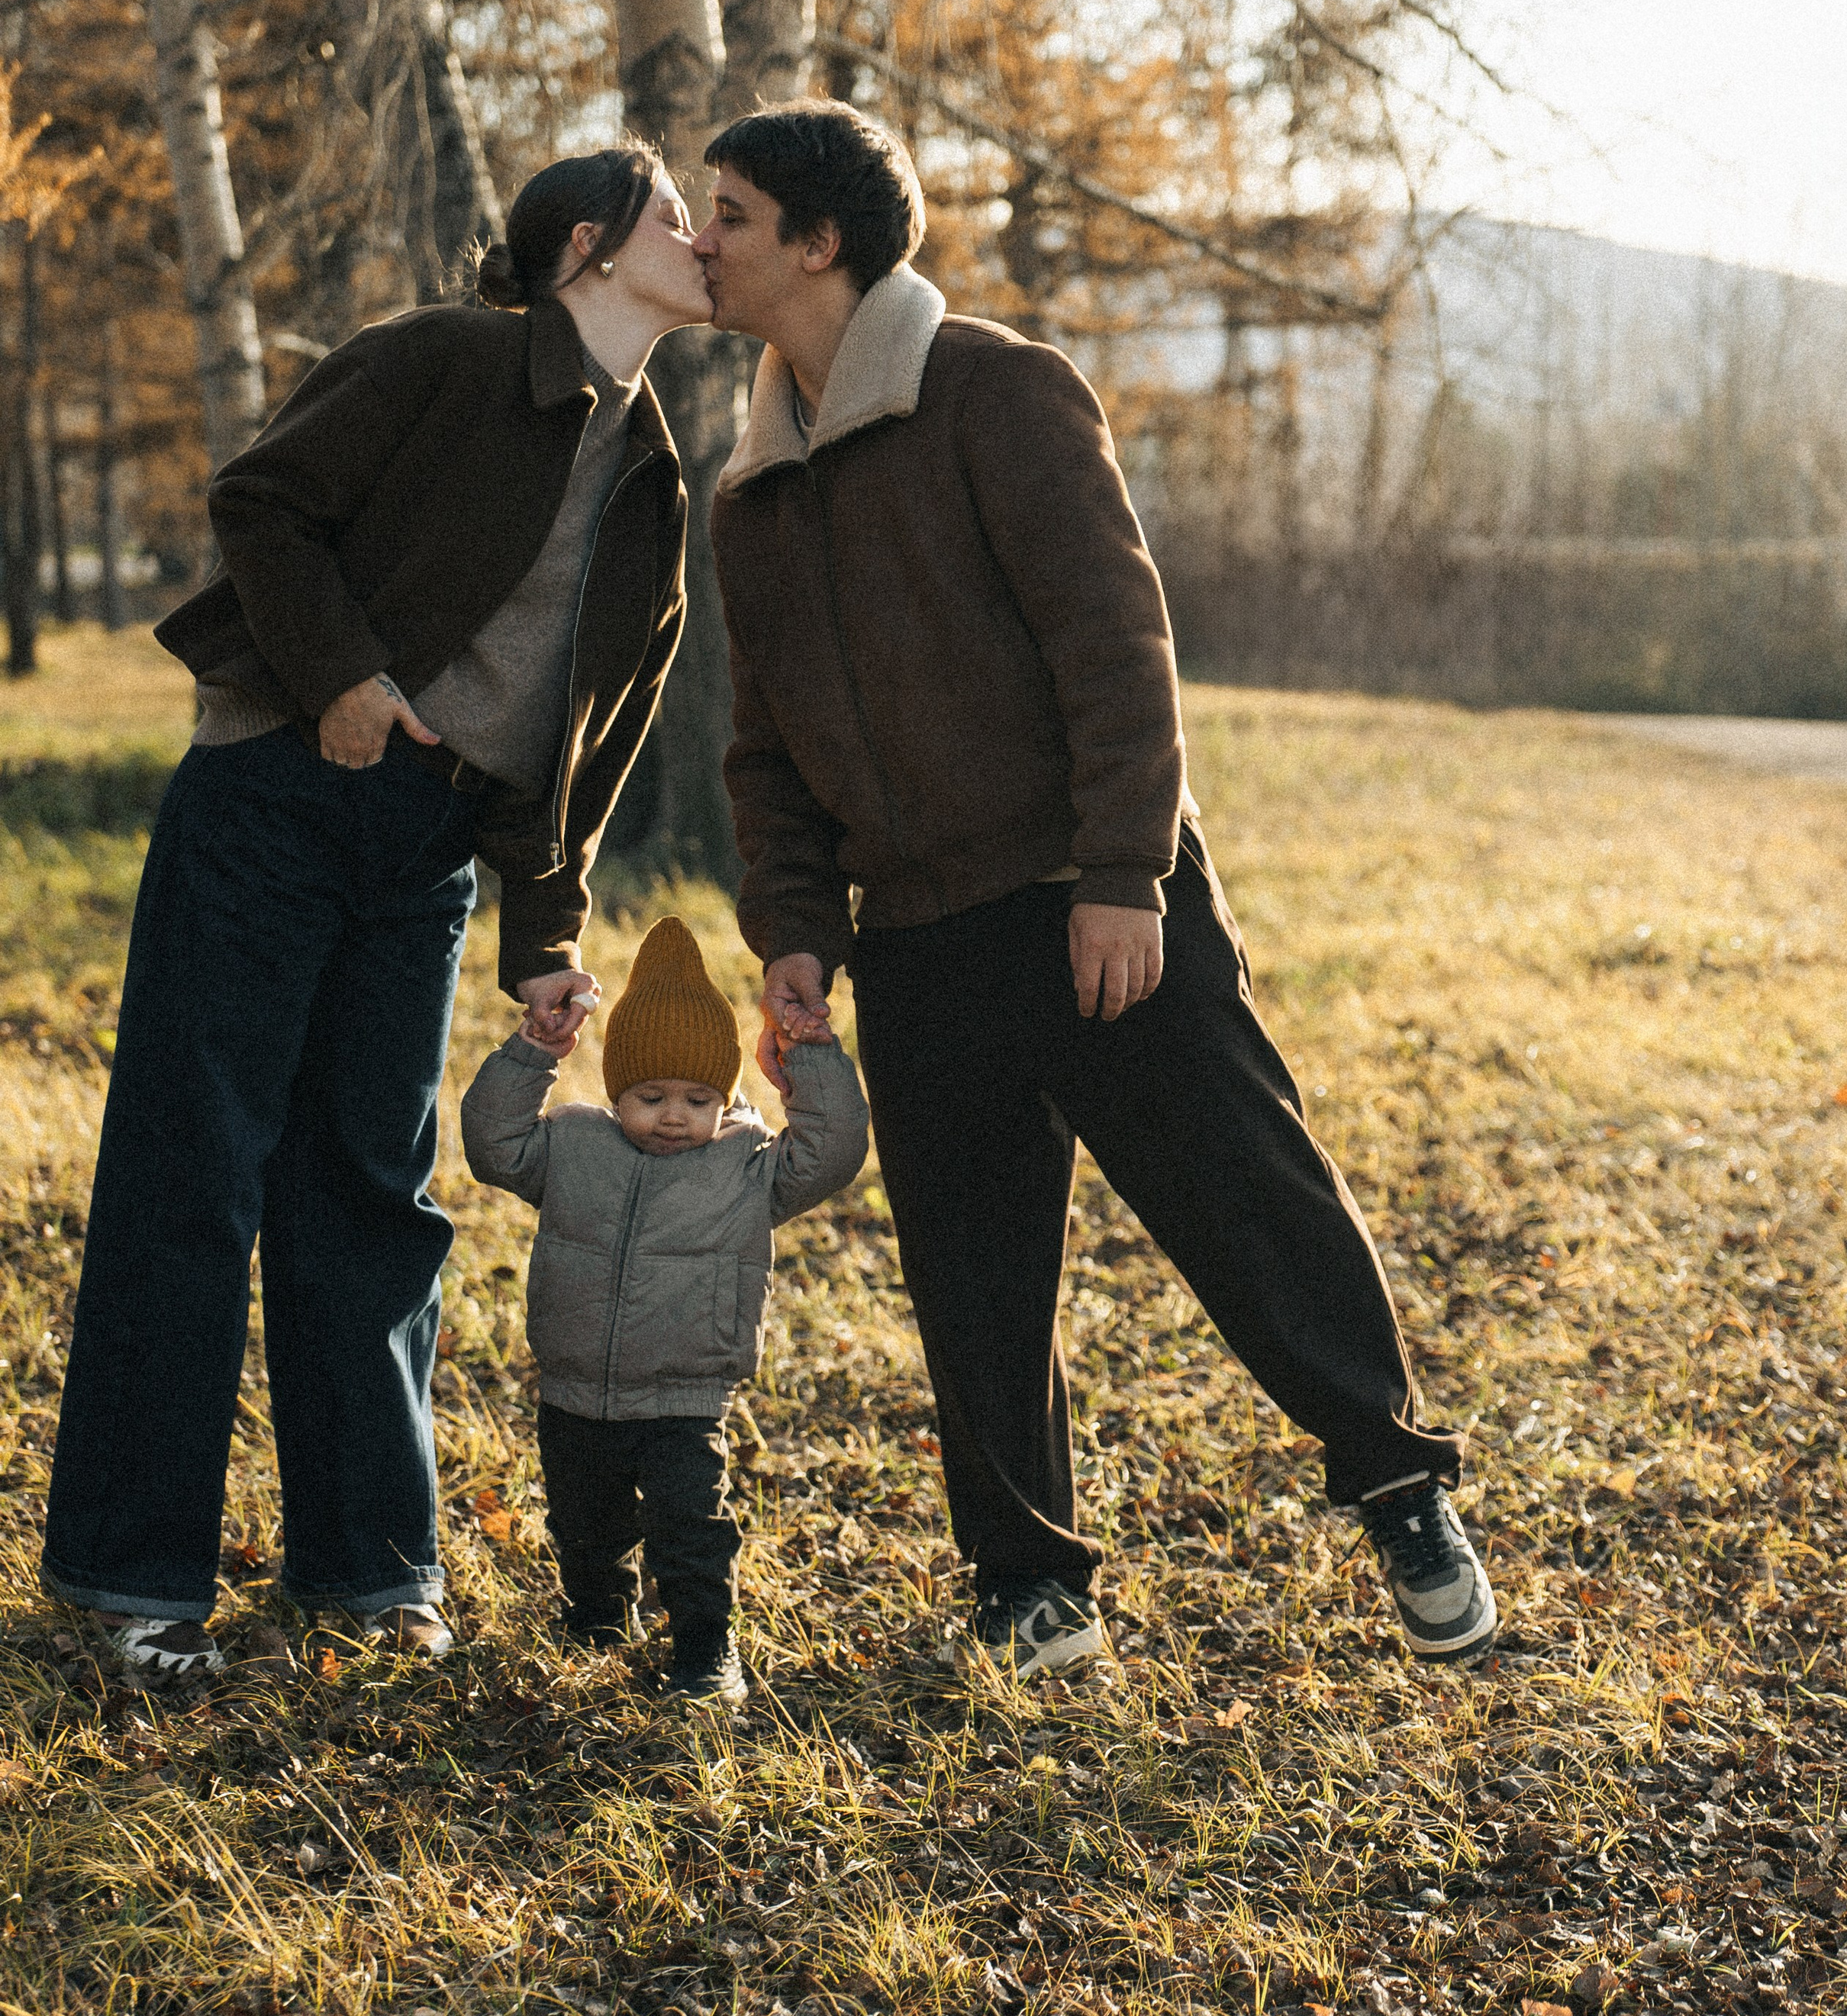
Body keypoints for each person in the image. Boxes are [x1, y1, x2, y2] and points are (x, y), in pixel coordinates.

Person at [697, 98, 1499, 1679]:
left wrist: (1124, 871)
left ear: (817, 239)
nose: (700, 241)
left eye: (727, 213)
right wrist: (796, 935)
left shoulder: (995, 392)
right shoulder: (747, 491)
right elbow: (764, 751)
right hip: (915, 936)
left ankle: (1399, 1488)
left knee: (1245, 1205)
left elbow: (1115, 647)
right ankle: (1024, 1582)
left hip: (1091, 899)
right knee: (973, 1273)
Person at [42, 145, 708, 1679]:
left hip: (425, 848)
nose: (705, 244)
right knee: (193, 1172)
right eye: (680, 218)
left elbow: (593, 729)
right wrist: (338, 680)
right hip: (276, 788)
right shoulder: (446, 358)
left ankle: (371, 1578)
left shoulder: (656, 474)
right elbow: (261, 503)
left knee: (373, 1192)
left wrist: (544, 937)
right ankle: (127, 1583)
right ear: (591, 247)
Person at [460, 914, 869, 1703]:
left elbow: (834, 1151)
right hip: (574, 1390)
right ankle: (598, 1621)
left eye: (697, 1098)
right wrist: (531, 1056)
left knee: (691, 1531)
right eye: (650, 1097)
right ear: (618, 1092)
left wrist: (810, 1057)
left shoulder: (747, 1169)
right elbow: (491, 1143)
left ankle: (705, 1651)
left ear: (727, 1097)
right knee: (584, 1527)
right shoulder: (574, 1147)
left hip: (684, 1396)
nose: (674, 1116)